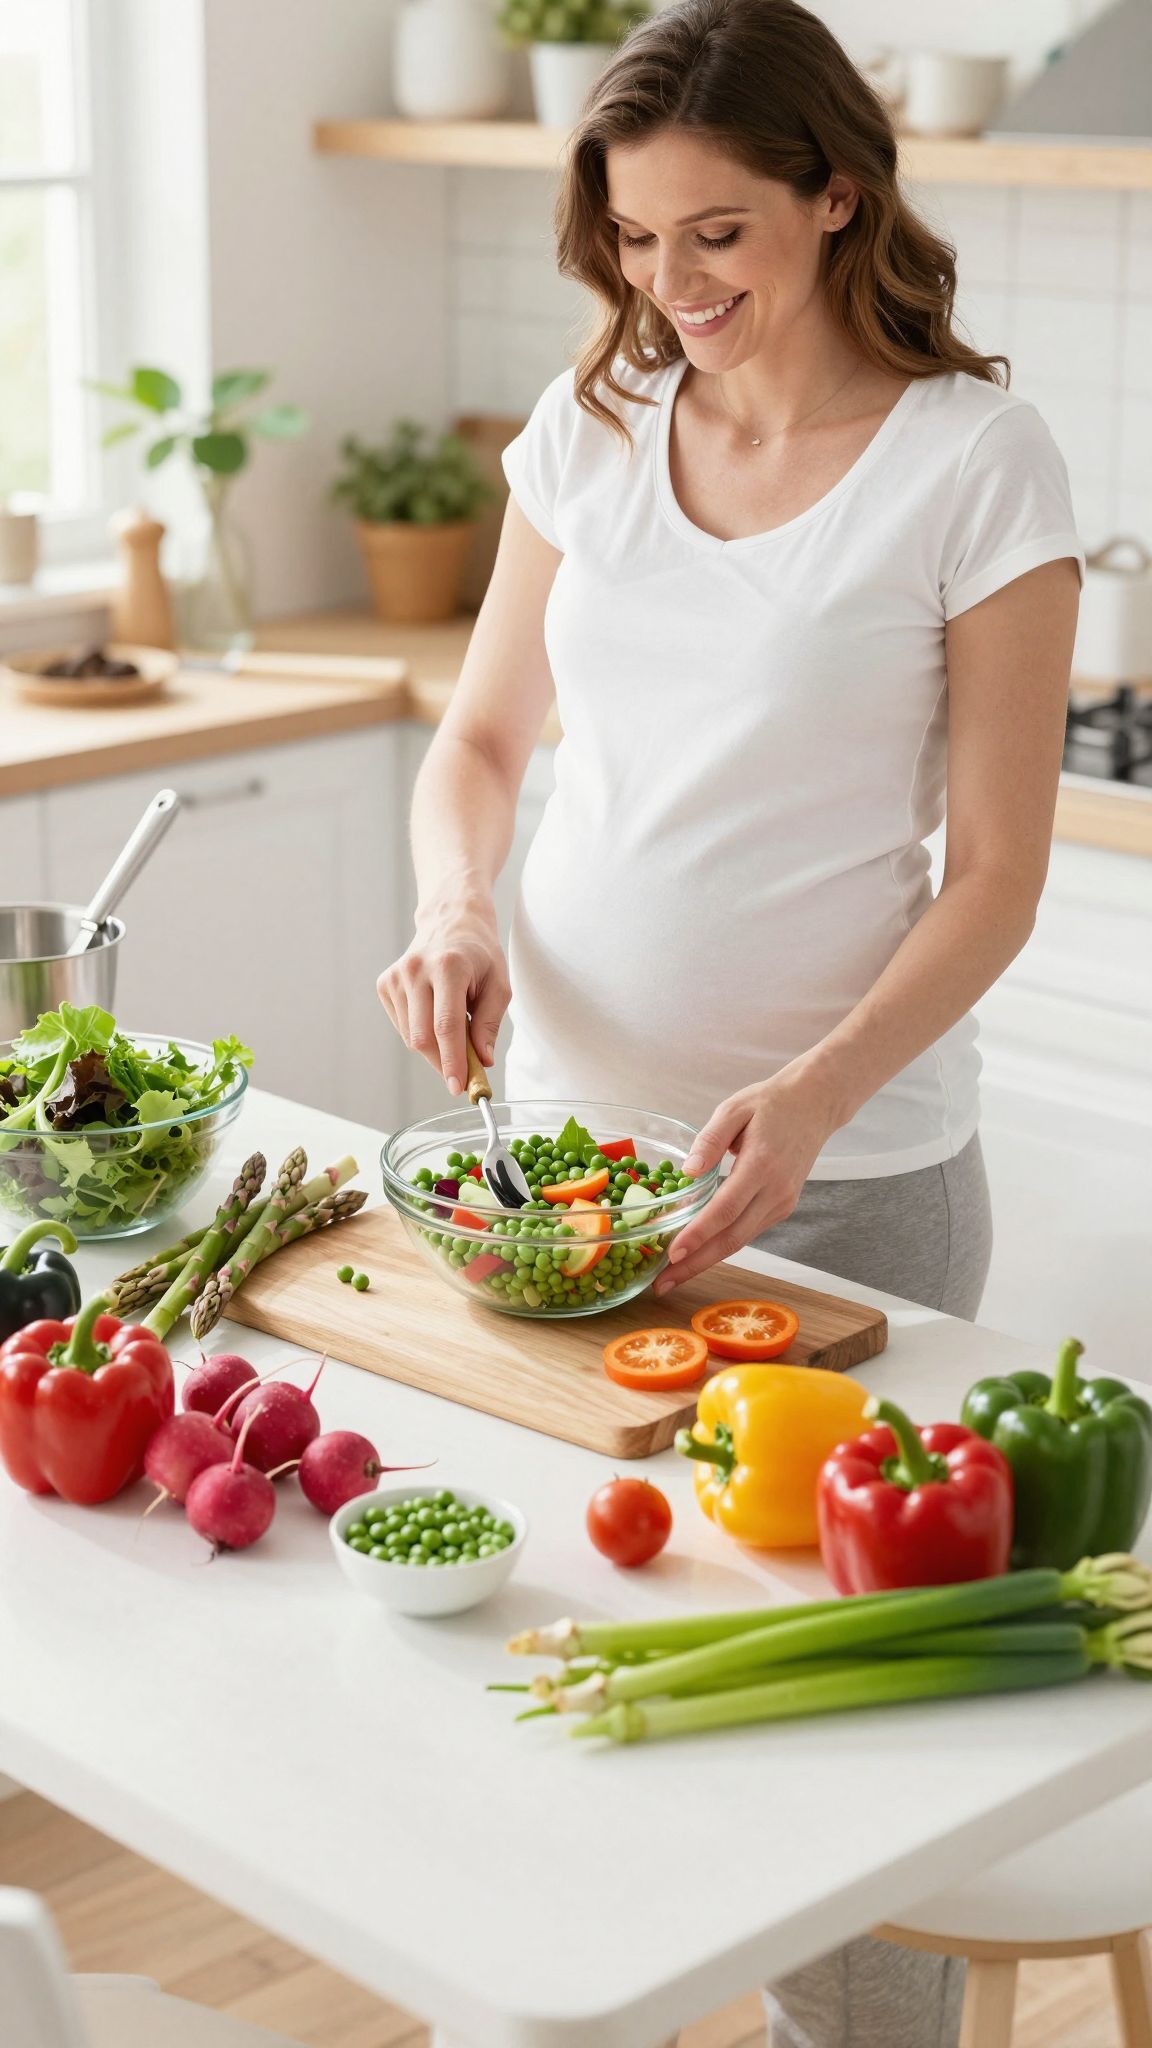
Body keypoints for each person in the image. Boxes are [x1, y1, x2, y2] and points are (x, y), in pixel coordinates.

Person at [378, 1, 1082, 2040]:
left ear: (836, 193)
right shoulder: (588, 425)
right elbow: (485, 742)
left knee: (812, 1765)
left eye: (715, 236)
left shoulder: (973, 461)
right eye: (632, 243)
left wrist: (807, 1092)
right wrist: (450, 901)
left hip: (842, 1192)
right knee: (544, 1676)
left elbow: (998, 876)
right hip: (561, 1182)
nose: (667, 288)